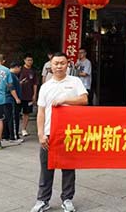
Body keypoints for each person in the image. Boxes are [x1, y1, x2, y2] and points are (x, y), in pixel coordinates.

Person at [31, 52, 87, 212]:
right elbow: (41, 112)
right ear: (51, 65)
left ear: (67, 64)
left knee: (68, 168)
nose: (59, 66)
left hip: (69, 133)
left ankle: (67, 199)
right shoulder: (46, 86)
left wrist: (64, 100)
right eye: (56, 63)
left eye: (62, 63)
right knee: (46, 168)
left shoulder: (75, 82)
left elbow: (84, 99)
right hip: (50, 132)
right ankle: (43, 200)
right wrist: (40, 134)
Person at [3, 61, 23, 143]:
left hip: (5, 100)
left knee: (7, 118)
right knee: (13, 118)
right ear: (16, 67)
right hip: (11, 100)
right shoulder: (11, 75)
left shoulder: (7, 74)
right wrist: (17, 98)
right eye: (19, 68)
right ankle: (14, 137)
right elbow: (11, 88)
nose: (20, 70)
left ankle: (5, 135)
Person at [19, 54, 38, 137]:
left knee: (26, 113)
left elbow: (35, 84)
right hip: (19, 95)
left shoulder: (33, 71)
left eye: (31, 60)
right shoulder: (20, 69)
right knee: (16, 112)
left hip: (29, 95)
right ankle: (15, 129)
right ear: (24, 60)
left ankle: (24, 129)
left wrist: (34, 94)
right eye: (28, 60)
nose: (30, 62)